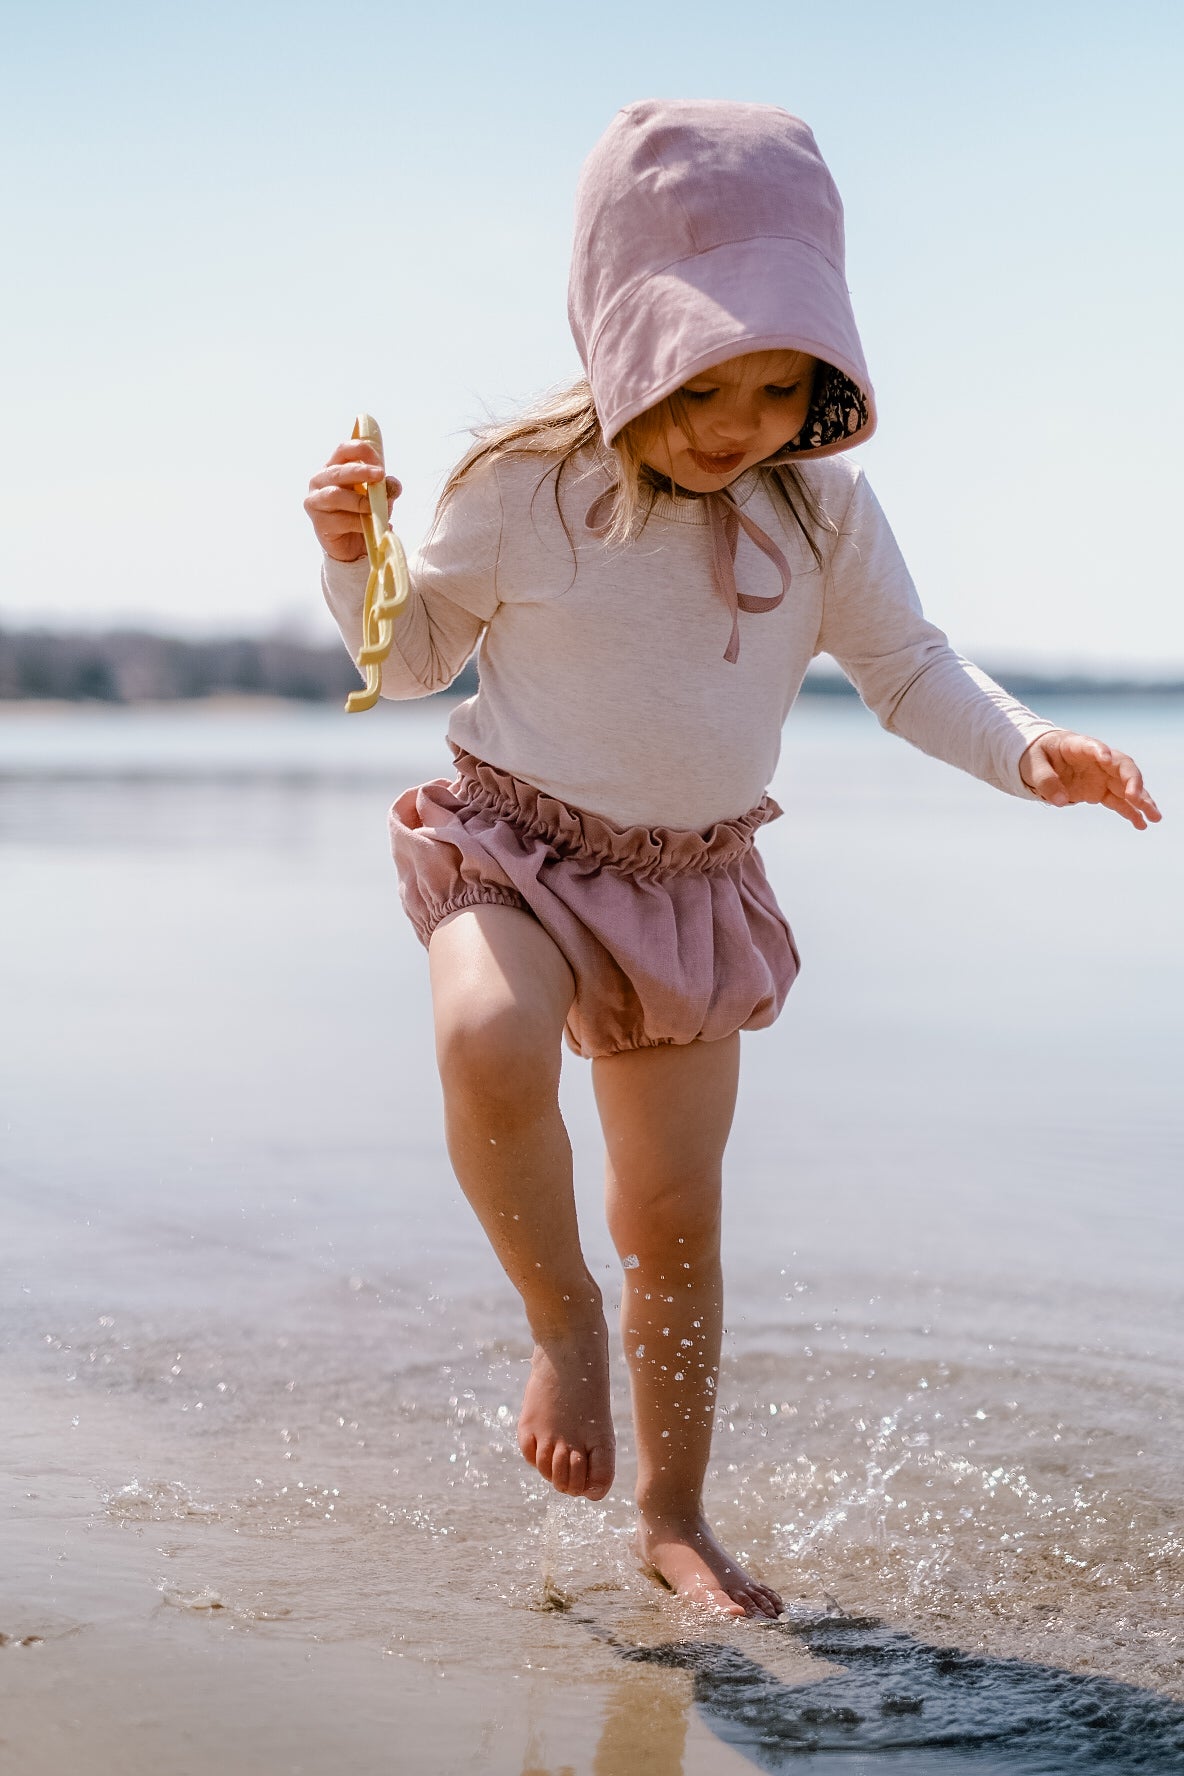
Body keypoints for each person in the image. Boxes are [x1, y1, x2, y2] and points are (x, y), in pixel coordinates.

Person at [304, 100, 1160, 1620]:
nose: (741, 420)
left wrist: (1035, 753)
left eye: (781, 386)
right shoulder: (522, 484)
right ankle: (559, 1317)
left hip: (689, 885)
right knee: (487, 1031)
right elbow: (418, 654)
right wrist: (355, 557)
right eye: (707, 379)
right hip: (518, 843)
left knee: (677, 1219)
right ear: (623, 337)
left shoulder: (820, 511)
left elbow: (911, 672)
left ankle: (677, 1516)